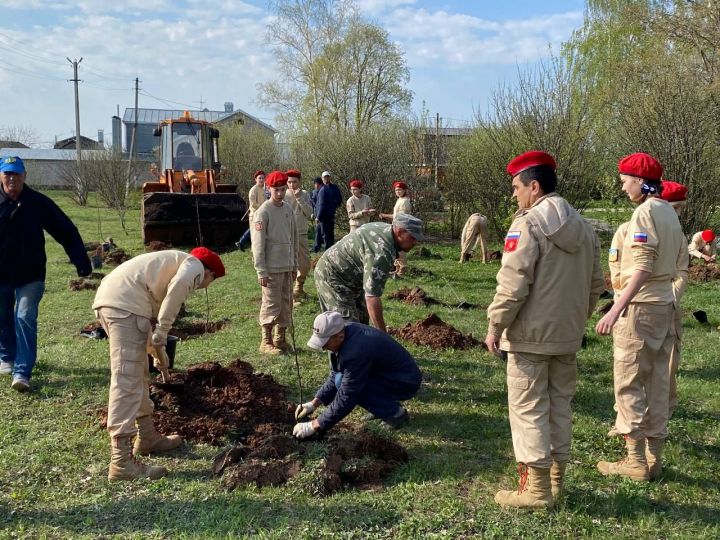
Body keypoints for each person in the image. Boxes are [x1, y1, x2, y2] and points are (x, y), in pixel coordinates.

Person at [485, 151, 604, 510]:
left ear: (534, 187)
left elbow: (513, 283)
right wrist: (576, 321)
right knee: (559, 407)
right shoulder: (584, 227)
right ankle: (556, 481)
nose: (514, 196)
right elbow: (596, 284)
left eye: (516, 188)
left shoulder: (527, 224)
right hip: (566, 337)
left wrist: (495, 325)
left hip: (530, 338)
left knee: (528, 408)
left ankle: (536, 491)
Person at [92, 247, 225, 481]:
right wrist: (163, 330)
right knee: (127, 378)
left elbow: (148, 331)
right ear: (208, 272)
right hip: (124, 306)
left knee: (138, 373)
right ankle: (121, 461)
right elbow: (178, 288)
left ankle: (147, 437)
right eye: (212, 280)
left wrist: (157, 353)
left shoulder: (170, 264)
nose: (206, 286)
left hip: (119, 302)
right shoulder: (193, 264)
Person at [595, 153, 688, 483]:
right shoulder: (668, 212)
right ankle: (654, 459)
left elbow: (643, 267)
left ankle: (634, 461)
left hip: (641, 309)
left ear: (640, 181)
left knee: (629, 380)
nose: (623, 187)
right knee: (658, 383)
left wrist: (615, 309)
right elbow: (679, 264)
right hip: (665, 307)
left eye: (625, 181)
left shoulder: (645, 213)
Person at [0, 156, 92, 392]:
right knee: (3, 317)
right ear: (1, 176)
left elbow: (66, 230)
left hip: (30, 274)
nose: (12, 178)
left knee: (23, 317)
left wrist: (81, 260)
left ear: (24, 176)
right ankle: (7, 357)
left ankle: (22, 371)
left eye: (17, 173)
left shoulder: (37, 203)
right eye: (8, 173)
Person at [292, 311, 422, 439]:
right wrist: (314, 403)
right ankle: (380, 407)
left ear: (339, 336)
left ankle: (395, 413)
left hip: (404, 381)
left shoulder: (356, 350)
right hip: (387, 374)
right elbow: (336, 372)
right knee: (340, 379)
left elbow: (348, 395)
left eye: (325, 343)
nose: (323, 347)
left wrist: (315, 425)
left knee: (346, 384)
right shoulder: (345, 335)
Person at [314, 213, 424, 332]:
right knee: (346, 328)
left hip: (353, 278)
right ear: (399, 231)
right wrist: (383, 335)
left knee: (362, 322)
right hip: (332, 275)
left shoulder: (385, 229)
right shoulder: (381, 253)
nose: (415, 242)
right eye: (412, 237)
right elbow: (372, 297)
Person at [251, 170, 299, 355]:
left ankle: (280, 338)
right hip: (270, 268)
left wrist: (294, 265)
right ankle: (266, 341)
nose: (279, 193)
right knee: (271, 303)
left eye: (282, 189)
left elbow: (293, 239)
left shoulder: (288, 209)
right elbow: (258, 244)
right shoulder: (263, 212)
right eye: (276, 190)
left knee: (286, 302)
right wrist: (261, 270)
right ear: (269, 189)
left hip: (287, 266)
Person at [284, 169, 313, 302]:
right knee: (289, 264)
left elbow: (309, 213)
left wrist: (299, 197)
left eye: (294, 182)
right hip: (286, 234)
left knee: (305, 264)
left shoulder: (305, 194)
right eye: (289, 182)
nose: (292, 185)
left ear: (299, 182)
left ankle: (299, 286)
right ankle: (290, 294)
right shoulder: (282, 194)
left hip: (301, 232)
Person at [380, 181, 413, 276]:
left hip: (401, 227)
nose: (397, 191)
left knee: (400, 249)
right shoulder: (400, 199)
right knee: (395, 248)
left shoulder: (404, 201)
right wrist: (385, 216)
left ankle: (403, 269)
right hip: (397, 226)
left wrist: (385, 215)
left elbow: (401, 217)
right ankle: (397, 268)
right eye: (396, 190)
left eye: (400, 190)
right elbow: (396, 215)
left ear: (404, 190)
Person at [236, 170, 267, 252]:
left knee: (257, 230)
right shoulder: (253, 190)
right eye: (259, 178)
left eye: (263, 178)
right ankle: (249, 246)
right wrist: (262, 209)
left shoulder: (264, 189)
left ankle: (241, 242)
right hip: (255, 215)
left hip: (262, 214)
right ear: (255, 179)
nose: (261, 180)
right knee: (254, 231)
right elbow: (253, 204)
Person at [312, 170, 342, 252]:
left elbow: (339, 200)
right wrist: (315, 213)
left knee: (328, 234)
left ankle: (329, 250)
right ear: (322, 178)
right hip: (320, 214)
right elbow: (316, 202)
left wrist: (332, 206)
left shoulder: (334, 188)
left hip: (327, 215)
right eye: (324, 177)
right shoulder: (318, 189)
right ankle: (316, 247)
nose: (326, 178)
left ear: (330, 177)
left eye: (327, 176)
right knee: (319, 232)